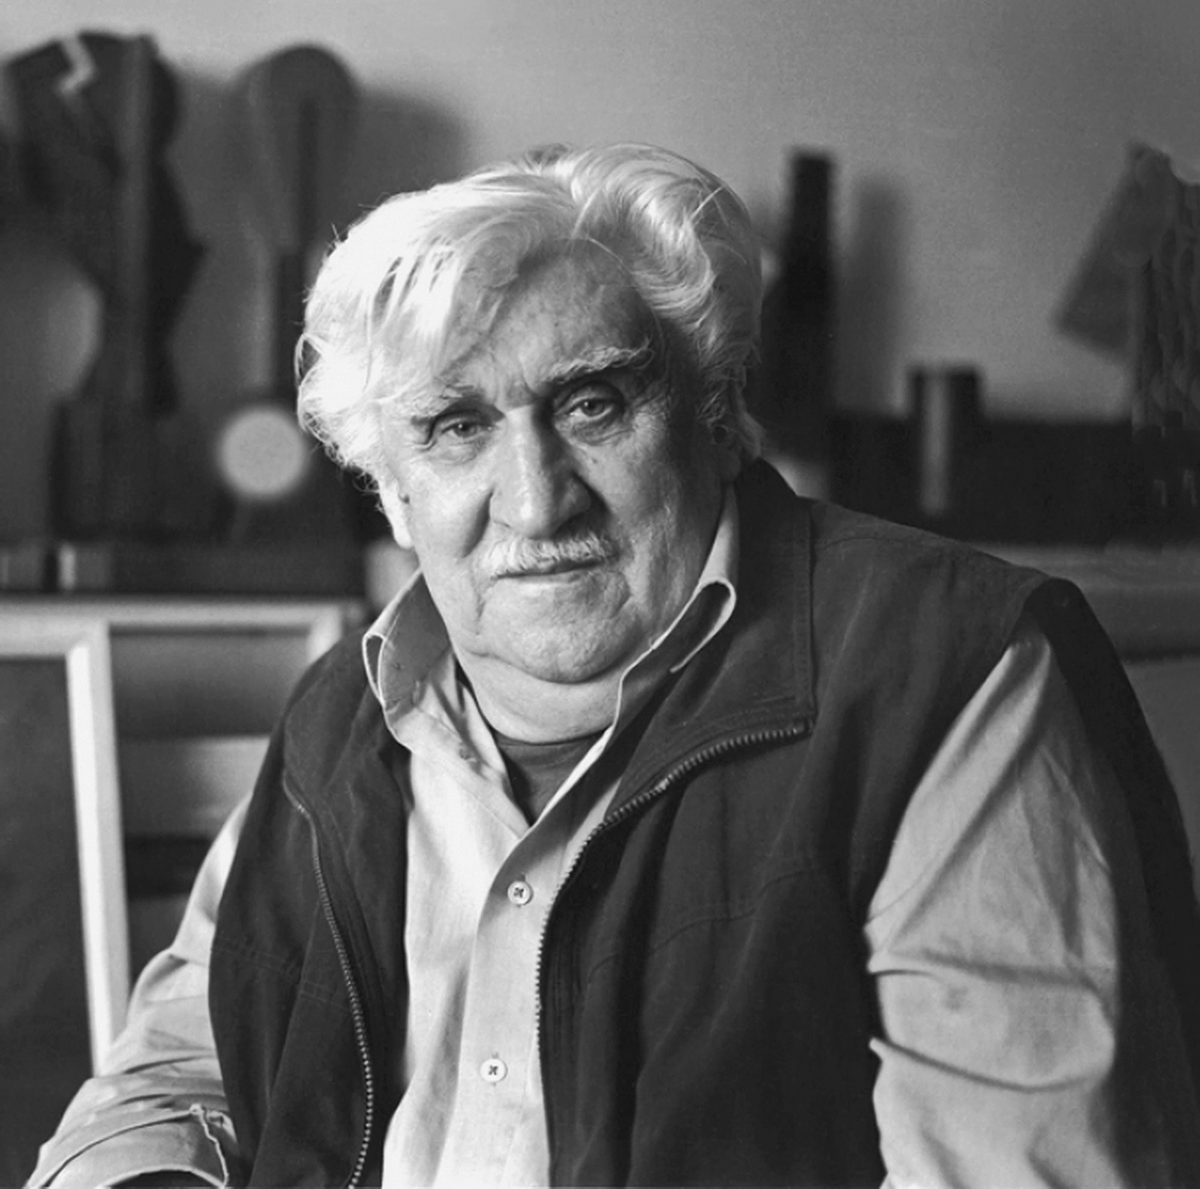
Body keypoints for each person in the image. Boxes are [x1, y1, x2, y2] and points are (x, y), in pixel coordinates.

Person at [29, 142, 1200, 1188]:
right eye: (456, 428)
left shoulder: (950, 674)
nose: (536, 502)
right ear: (392, 490)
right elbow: (176, 1073)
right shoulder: (342, 718)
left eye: (591, 405)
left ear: (719, 415)